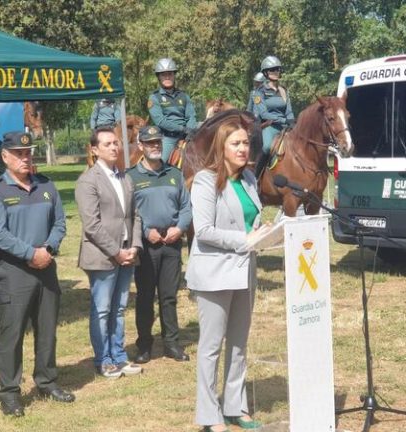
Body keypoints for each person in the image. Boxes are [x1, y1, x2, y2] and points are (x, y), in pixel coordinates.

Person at [0, 131, 74, 417]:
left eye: (28, 152)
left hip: (46, 267)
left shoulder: (46, 185)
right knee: (13, 333)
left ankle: (47, 381)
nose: (25, 158)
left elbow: (59, 223)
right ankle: (9, 392)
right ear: (5, 157)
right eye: (18, 154)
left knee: (47, 329)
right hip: (14, 271)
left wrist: (48, 248)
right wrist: (30, 253)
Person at [185, 116, 264, 432]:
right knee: (211, 346)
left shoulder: (250, 180)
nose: (244, 148)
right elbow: (203, 230)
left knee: (239, 343)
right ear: (222, 147)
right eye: (237, 143)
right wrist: (244, 240)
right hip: (215, 272)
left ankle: (235, 406)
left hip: (245, 272)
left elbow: (250, 221)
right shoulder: (205, 181)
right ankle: (209, 415)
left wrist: (263, 232)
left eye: (246, 143)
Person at [75, 127, 144, 379]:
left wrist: (134, 246)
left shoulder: (125, 177)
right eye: (107, 144)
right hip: (103, 256)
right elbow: (91, 225)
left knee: (119, 308)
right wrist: (116, 252)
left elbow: (135, 215)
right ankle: (103, 359)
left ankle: (119, 355)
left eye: (116, 143)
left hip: (127, 253)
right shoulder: (88, 181)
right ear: (94, 150)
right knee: (102, 309)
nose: (114, 147)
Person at [126, 126, 192, 364]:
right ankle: (144, 345)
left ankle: (171, 344)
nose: (155, 146)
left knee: (169, 296)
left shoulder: (174, 174)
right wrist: (145, 232)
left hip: (172, 242)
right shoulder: (131, 177)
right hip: (146, 245)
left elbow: (186, 206)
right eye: (150, 142)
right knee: (144, 297)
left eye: (158, 142)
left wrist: (180, 227)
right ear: (141, 146)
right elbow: (129, 213)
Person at [148, 58, 198, 162]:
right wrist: (182, 129)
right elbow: (160, 121)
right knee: (160, 162)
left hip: (187, 136)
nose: (167, 77)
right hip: (168, 138)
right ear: (159, 77)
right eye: (163, 75)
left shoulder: (184, 96)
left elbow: (191, 116)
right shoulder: (154, 98)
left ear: (174, 75)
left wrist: (190, 130)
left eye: (170, 74)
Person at [252, 55, 294, 159]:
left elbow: (289, 111)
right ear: (265, 73)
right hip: (269, 126)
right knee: (266, 148)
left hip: (285, 127)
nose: (276, 72)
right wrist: (284, 120)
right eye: (272, 70)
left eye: (277, 69)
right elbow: (264, 114)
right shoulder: (260, 91)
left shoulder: (284, 90)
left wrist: (292, 121)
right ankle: (257, 174)